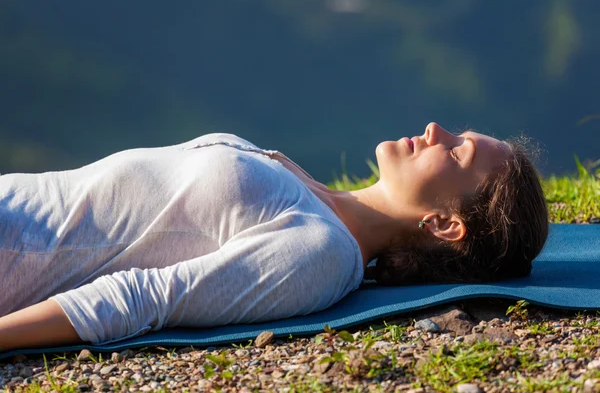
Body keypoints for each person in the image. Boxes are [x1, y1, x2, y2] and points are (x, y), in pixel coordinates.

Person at [0, 122, 549, 351]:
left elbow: (143, 298)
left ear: (446, 224)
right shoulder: (316, 193)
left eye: (455, 151)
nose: (435, 131)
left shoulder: (322, 253)